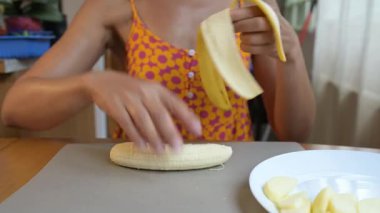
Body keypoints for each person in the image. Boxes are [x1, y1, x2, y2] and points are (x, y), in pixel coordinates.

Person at [1, 0, 315, 153]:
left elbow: (294, 130)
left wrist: (291, 56)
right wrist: (90, 83)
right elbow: (15, 107)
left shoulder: (252, 4)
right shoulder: (116, 5)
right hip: (139, 175)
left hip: (231, 176)